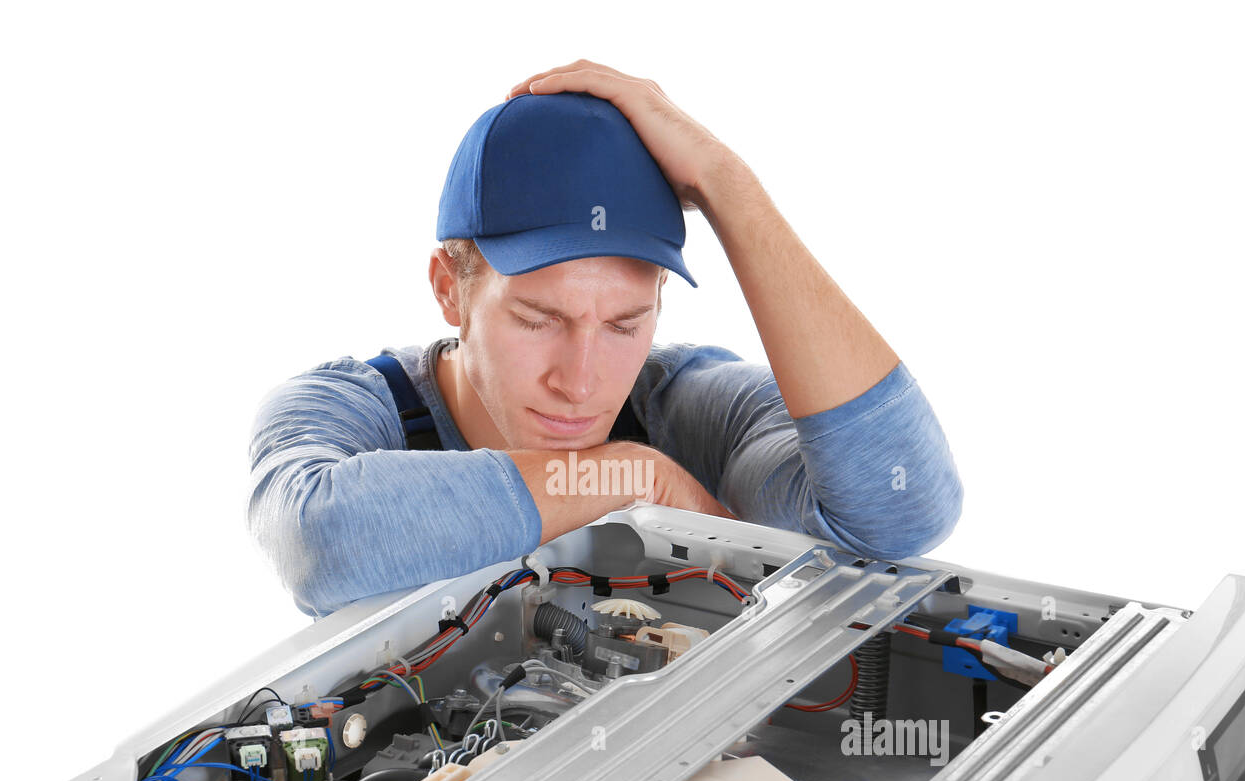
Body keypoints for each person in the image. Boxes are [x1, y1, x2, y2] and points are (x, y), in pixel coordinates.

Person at [247, 60, 963, 620]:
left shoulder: (683, 404)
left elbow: (903, 510)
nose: (583, 381)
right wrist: (623, 475)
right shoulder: (346, 406)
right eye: (539, 318)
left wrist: (726, 185)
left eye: (625, 323)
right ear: (448, 287)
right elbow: (319, 541)